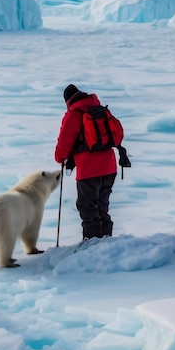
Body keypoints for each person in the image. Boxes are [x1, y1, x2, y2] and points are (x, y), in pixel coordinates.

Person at [54, 84, 117, 240]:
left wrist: (60, 158)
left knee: (88, 207)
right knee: (102, 207)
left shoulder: (74, 114)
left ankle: (92, 242)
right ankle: (106, 240)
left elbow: (64, 144)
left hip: (89, 170)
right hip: (110, 166)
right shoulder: (99, 108)